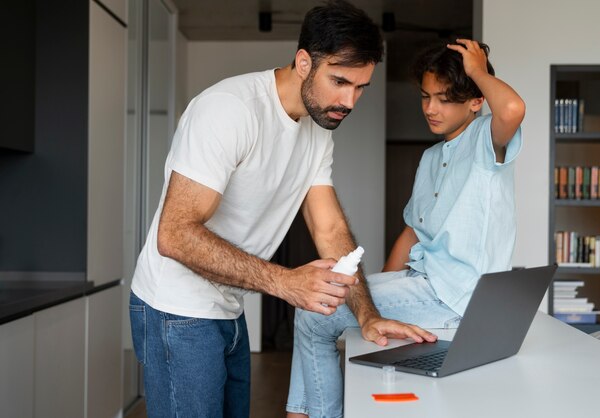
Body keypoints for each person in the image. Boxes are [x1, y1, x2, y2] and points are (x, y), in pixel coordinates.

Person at [128, 1, 425, 417]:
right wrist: (286, 283)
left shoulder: (318, 131)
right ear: (304, 62)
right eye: (340, 81)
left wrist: (367, 315)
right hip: (176, 310)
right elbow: (174, 234)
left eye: (360, 88)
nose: (350, 101)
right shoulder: (229, 110)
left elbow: (331, 230)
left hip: (229, 309)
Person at [286, 38, 525, 418]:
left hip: (456, 299)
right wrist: (373, 299)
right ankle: (302, 413)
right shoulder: (431, 157)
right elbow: (412, 232)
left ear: (476, 101)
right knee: (324, 295)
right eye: (426, 96)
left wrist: (477, 70)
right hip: (422, 284)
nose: (431, 108)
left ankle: (307, 415)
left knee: (317, 313)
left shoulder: (485, 140)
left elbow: (513, 108)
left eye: (445, 99)